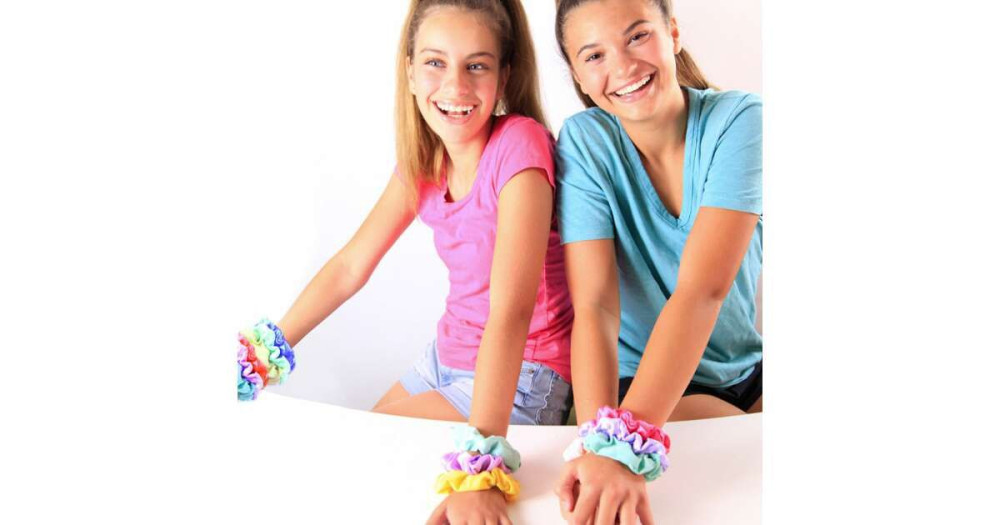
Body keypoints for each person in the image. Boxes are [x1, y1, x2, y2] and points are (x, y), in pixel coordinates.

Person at [247, 0, 573, 522]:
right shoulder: (424, 158)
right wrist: (260, 355)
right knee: (366, 448)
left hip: (524, 372)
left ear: (505, 75)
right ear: (411, 72)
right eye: (436, 63)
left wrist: (481, 468)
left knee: (371, 462)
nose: (456, 86)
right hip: (445, 358)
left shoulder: (520, 145)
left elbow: (511, 312)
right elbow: (350, 266)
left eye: (477, 65)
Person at [551, 0, 763, 523]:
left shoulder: (740, 120)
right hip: (637, 388)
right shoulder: (585, 143)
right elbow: (596, 307)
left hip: (747, 368)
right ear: (576, 74)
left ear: (673, 33)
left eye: (637, 36)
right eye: (594, 55)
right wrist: (606, 441)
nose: (623, 66)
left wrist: (620, 446)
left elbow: (703, 290)